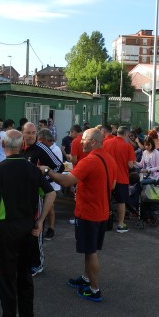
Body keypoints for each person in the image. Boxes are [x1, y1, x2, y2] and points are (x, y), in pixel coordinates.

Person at [0, 129, 56, 317]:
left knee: (7, 279)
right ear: (21, 145)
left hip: (6, 229)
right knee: (24, 275)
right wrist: (41, 220)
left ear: (4, 146)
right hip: (28, 228)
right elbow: (51, 192)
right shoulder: (32, 168)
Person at [43, 128, 117, 302]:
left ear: (93, 142)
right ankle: (86, 278)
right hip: (101, 212)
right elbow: (112, 185)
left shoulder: (90, 160)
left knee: (91, 252)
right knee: (89, 249)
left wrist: (47, 171)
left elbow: (66, 181)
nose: (80, 141)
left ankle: (94, 289)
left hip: (89, 213)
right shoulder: (109, 158)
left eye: (83, 139)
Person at [21, 122, 64, 274]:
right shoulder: (19, 147)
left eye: (34, 133)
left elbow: (59, 167)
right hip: (22, 196)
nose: (31, 136)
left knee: (36, 228)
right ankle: (26, 260)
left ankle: (37, 263)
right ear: (22, 133)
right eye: (28, 133)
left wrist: (44, 179)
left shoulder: (41, 147)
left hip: (37, 195)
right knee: (24, 229)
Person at [103, 126, 136, 233]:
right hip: (121, 178)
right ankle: (120, 224)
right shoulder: (128, 147)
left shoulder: (106, 143)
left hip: (107, 177)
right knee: (121, 202)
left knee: (105, 200)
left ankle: (104, 222)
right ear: (126, 134)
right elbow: (130, 165)